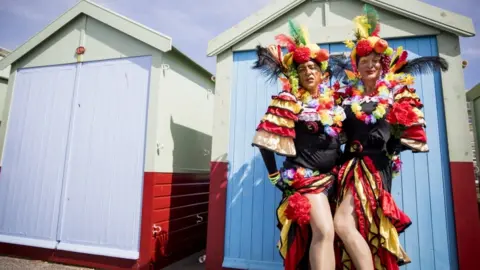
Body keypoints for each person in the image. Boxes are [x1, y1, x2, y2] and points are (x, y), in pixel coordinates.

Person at [330, 4, 449, 270]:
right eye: (364, 61)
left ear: (382, 65)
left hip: (374, 167)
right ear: (356, 67)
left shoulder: (395, 94)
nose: (369, 65)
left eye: (374, 60)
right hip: (349, 166)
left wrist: (390, 146)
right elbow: (335, 132)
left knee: (343, 223)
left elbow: (411, 130)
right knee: (360, 224)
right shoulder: (346, 98)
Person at [251, 20, 346, 270]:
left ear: (322, 73)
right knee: (325, 231)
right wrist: (274, 176)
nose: (308, 72)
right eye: (303, 69)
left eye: (313, 67)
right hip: (306, 178)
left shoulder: (334, 103)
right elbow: (265, 141)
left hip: (332, 180)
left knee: (329, 236)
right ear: (297, 75)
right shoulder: (290, 101)